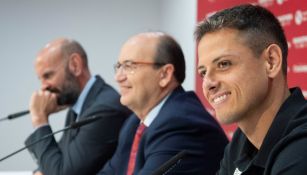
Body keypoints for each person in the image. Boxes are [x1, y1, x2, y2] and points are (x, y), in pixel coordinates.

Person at [195, 4, 307, 175]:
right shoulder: (239, 143)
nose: (208, 83)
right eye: (203, 72)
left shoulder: (302, 148)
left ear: (271, 61)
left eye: (224, 64)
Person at [97, 32, 229, 175]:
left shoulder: (182, 125)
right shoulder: (134, 123)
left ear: (165, 74)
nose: (118, 77)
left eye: (129, 66)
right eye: (119, 66)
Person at [25, 38, 131, 175]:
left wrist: (40, 120)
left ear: (75, 65)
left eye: (48, 76)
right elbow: (58, 158)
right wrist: (39, 171)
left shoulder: (104, 109)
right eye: (41, 79)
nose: (43, 86)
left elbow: (63, 173)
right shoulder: (78, 106)